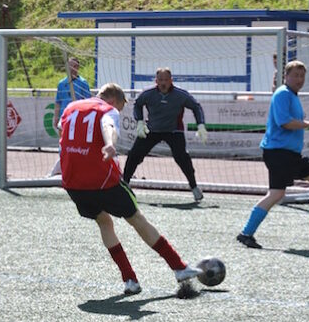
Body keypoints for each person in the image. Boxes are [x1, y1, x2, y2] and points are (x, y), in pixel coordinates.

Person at [60, 82, 202, 295]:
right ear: (114, 101)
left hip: (73, 183)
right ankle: (178, 267)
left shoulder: (71, 108)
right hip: (102, 180)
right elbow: (109, 125)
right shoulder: (107, 109)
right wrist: (110, 143)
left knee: (104, 222)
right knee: (136, 218)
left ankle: (130, 280)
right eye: (120, 107)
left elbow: (62, 131)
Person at [236, 60, 309, 249]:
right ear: (286, 76)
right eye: (295, 75)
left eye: (302, 76)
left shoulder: (293, 95)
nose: (299, 79)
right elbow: (284, 122)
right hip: (277, 153)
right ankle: (246, 233)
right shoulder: (283, 94)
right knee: (277, 193)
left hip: (290, 154)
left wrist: (307, 123)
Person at [123, 67, 208, 202]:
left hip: (174, 130)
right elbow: (138, 104)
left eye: (166, 80)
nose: (163, 83)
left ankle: (194, 187)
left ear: (171, 80)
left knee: (182, 157)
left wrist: (201, 125)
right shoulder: (148, 93)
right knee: (134, 154)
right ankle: (125, 184)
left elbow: (196, 107)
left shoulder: (181, 95)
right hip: (152, 130)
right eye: (160, 80)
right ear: (156, 81)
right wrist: (139, 122)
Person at [49, 57, 91, 176]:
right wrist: (56, 117)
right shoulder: (61, 83)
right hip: (64, 120)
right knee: (62, 143)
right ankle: (63, 168)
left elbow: (87, 101)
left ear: (77, 68)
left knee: (78, 144)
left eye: (74, 66)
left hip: (77, 120)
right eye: (70, 65)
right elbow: (58, 101)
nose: (72, 68)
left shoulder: (83, 83)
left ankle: (78, 169)